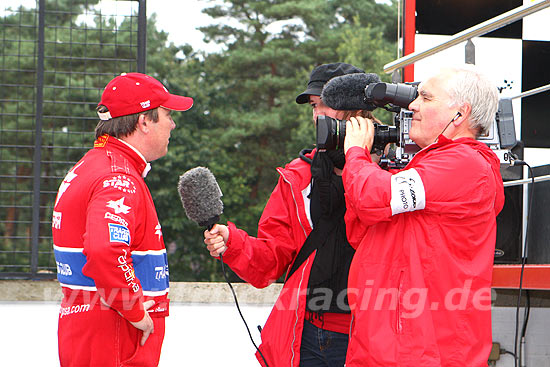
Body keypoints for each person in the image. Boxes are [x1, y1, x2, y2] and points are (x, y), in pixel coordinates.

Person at [204, 63, 381, 367]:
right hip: (306, 334)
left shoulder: (395, 170)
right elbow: (273, 258)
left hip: (368, 335)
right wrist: (233, 242)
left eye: (326, 104)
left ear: (355, 110)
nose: (316, 115)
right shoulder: (297, 175)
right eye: (314, 106)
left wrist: (360, 161)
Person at [341, 65, 505, 366]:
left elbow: (371, 197)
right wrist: (368, 164)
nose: (413, 106)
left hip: (421, 351)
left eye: (426, 98)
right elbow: (362, 232)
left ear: (459, 114)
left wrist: (356, 154)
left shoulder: (463, 164)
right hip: (389, 345)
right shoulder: (432, 167)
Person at [52, 72, 193, 366]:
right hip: (115, 334)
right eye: (167, 114)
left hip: (90, 327)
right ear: (143, 122)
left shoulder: (91, 165)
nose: (173, 124)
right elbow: (106, 251)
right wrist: (134, 310)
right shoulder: (119, 176)